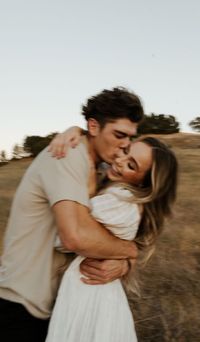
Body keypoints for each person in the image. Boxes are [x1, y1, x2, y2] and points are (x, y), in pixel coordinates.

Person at [0, 87, 144, 342]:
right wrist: (131, 251)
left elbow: (102, 232)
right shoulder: (67, 155)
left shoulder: (100, 171)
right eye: (119, 134)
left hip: (56, 308)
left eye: (130, 137)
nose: (125, 145)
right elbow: (75, 238)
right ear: (94, 126)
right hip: (20, 306)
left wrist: (124, 263)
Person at [45, 133, 178, 342]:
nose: (120, 161)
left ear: (144, 184)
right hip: (86, 285)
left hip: (88, 290)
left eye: (132, 166)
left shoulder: (120, 201)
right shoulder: (111, 185)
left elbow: (63, 239)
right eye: (126, 151)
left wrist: (127, 258)